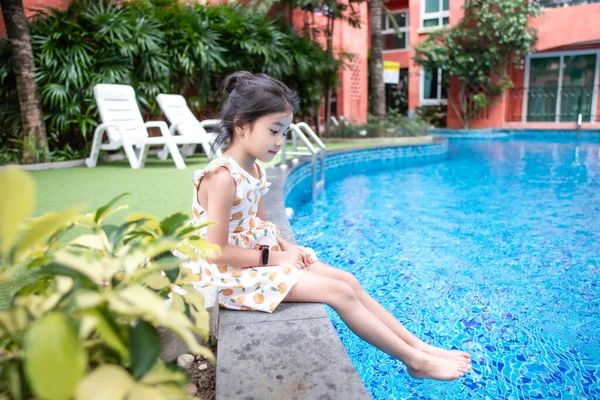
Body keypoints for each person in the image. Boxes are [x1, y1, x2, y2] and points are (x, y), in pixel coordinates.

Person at [187, 71, 471, 381]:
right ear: (241, 124)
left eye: (284, 132)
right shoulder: (223, 177)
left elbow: (260, 224)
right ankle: (414, 361)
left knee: (348, 280)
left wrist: (287, 247)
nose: (280, 142)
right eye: (274, 131)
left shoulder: (253, 168)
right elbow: (214, 252)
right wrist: (274, 257)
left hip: (250, 259)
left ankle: (420, 347)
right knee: (338, 293)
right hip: (224, 275)